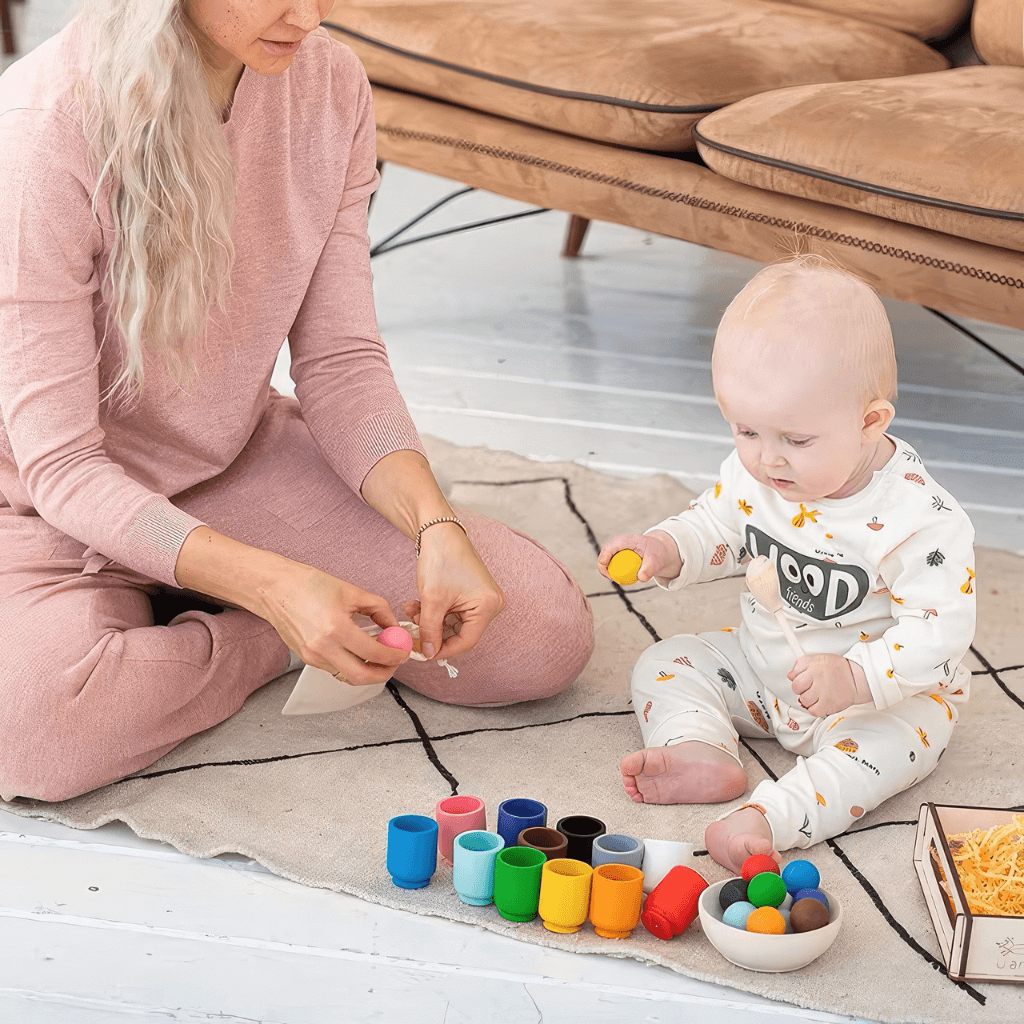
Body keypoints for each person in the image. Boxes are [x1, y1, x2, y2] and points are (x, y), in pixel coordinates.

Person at [0, 0, 593, 803]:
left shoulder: (331, 87)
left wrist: (436, 526)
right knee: (34, 735)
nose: (309, 15)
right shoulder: (41, 129)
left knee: (538, 639)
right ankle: (260, 634)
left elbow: (341, 360)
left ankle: (205, 598)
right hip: (37, 503)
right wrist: (276, 595)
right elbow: (64, 465)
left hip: (226, 460)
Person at [598, 257, 976, 873]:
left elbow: (940, 634)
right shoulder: (760, 475)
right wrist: (669, 547)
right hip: (764, 675)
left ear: (868, 422)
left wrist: (859, 679)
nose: (767, 460)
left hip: (873, 702)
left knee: (895, 747)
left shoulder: (920, 519)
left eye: (795, 441)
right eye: (745, 431)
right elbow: (717, 526)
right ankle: (700, 750)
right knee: (666, 662)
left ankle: (769, 817)